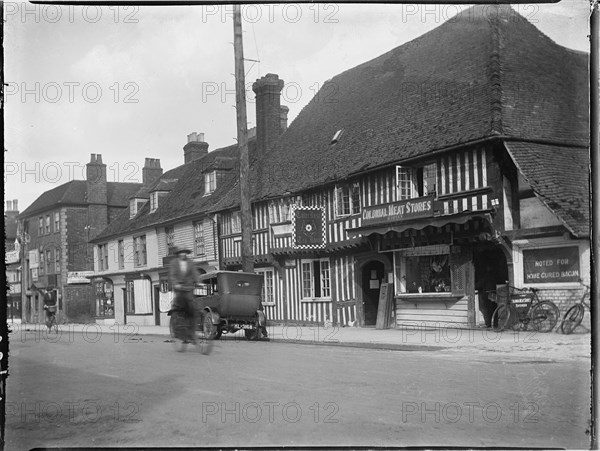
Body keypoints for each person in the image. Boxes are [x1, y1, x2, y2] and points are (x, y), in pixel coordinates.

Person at [168, 247, 201, 341]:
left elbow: (195, 273)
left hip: (188, 288)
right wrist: (176, 284)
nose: (183, 254)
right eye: (182, 253)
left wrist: (199, 282)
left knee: (193, 309)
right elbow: (173, 275)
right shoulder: (174, 263)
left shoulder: (190, 262)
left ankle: (192, 333)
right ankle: (178, 328)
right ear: (178, 254)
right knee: (179, 306)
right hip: (179, 289)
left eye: (185, 253)